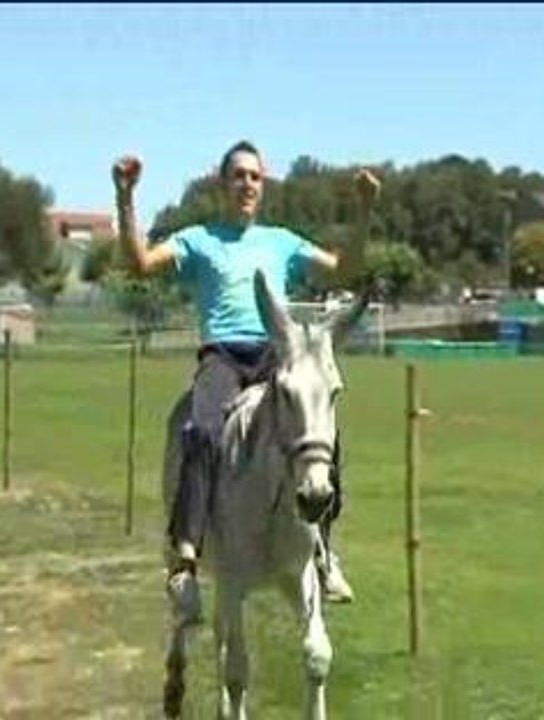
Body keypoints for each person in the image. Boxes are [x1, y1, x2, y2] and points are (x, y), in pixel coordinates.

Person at [112, 141, 380, 622]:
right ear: (223, 184)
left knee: (318, 430)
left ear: (263, 185)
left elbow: (345, 269)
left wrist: (363, 211)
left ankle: (324, 552)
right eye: (238, 176)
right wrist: (126, 197)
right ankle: (187, 560)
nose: (247, 184)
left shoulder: (282, 242)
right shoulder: (199, 239)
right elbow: (139, 264)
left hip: (277, 353)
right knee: (202, 431)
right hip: (223, 357)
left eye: (255, 177)